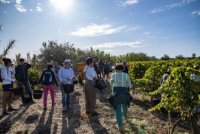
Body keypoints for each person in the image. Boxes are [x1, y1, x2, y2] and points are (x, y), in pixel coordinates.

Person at [110, 64, 132, 132]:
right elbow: (129, 85)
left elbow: (111, 83)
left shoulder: (113, 75)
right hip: (124, 92)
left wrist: (113, 88)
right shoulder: (126, 75)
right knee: (125, 106)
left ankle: (120, 127)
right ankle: (126, 117)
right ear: (123, 69)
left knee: (117, 109)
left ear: (116, 69)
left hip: (116, 93)